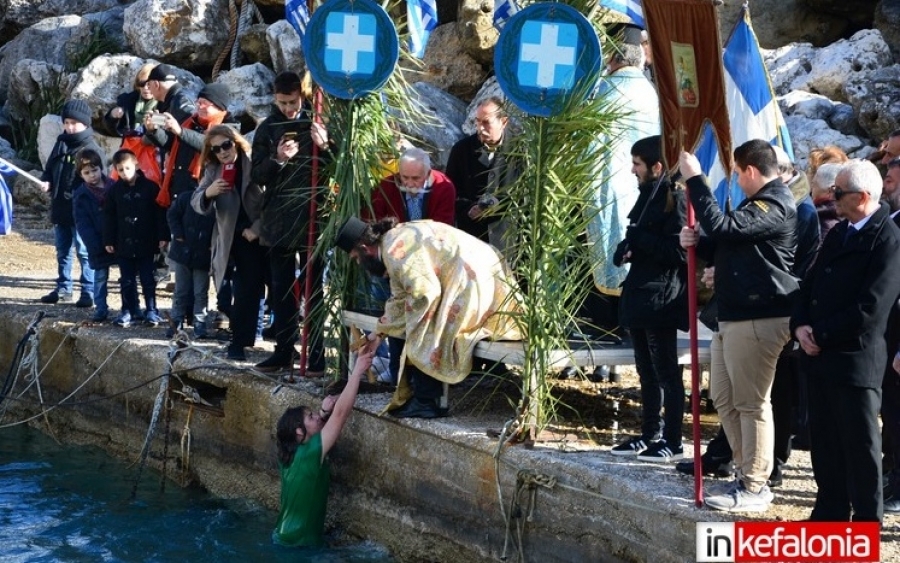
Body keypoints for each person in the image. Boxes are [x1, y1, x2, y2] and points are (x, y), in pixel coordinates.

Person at [679, 139, 798, 513]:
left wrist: (696, 180)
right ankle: (744, 471)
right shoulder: (754, 203)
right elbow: (731, 241)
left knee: (751, 403)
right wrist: (697, 242)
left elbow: (725, 225)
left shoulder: (776, 201)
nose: (734, 179)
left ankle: (755, 485)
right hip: (732, 316)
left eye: (736, 172)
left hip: (759, 317)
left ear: (749, 171)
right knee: (725, 399)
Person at [792, 159, 900, 523]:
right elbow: (811, 284)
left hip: (856, 360)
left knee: (860, 446)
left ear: (863, 196)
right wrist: (800, 325)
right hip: (821, 357)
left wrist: (819, 333)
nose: (831, 198)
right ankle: (829, 512)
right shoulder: (841, 232)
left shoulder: (888, 239)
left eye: (839, 193)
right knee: (825, 443)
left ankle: (866, 523)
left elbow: (871, 306)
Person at [335, 217, 523, 418]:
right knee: (417, 316)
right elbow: (399, 298)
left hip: (472, 280)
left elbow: (425, 294)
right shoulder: (394, 238)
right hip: (485, 271)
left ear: (365, 248)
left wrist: (409, 323)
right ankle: (425, 395)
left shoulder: (394, 251)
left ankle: (426, 400)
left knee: (422, 324)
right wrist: (377, 335)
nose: (359, 264)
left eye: (356, 258)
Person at [608, 136, 687, 462]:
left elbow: (678, 252)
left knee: (666, 371)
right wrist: (624, 250)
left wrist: (642, 239)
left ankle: (673, 438)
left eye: (637, 164)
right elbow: (635, 235)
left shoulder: (676, 200)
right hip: (640, 294)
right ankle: (649, 433)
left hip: (661, 298)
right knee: (645, 370)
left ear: (657, 167)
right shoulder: (647, 195)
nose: (632, 170)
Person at [250, 71, 329, 374]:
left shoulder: (317, 123)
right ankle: (284, 350)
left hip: (313, 218)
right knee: (282, 291)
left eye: (293, 102)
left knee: (314, 291)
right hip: (279, 221)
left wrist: (326, 146)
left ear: (302, 96)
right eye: (282, 102)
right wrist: (278, 159)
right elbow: (257, 175)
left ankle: (318, 353)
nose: (288, 108)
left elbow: (334, 166)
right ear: (274, 98)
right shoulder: (268, 128)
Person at [364, 146, 457, 384]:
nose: (409, 183)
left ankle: (422, 372)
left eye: (415, 178)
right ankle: (395, 367)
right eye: (404, 177)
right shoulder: (387, 186)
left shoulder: (443, 187)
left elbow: (442, 231)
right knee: (390, 309)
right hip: (392, 263)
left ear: (427, 173)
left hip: (427, 267)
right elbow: (372, 225)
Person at [273, 348, 375, 547]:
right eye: (311, 417)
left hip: (282, 534)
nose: (317, 417)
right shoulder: (311, 454)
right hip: (301, 544)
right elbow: (341, 414)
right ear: (300, 433)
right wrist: (357, 372)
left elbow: (323, 427)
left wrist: (322, 412)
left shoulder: (288, 452)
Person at [192, 126, 265, 361]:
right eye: (216, 149)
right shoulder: (214, 169)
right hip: (227, 238)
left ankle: (242, 341)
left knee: (248, 291)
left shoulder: (252, 162)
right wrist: (209, 193)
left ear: (235, 143)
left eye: (226, 145)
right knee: (226, 293)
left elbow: (272, 201)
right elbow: (196, 200)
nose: (223, 152)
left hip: (254, 237)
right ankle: (239, 338)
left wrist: (257, 228)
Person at [39, 99, 105, 308]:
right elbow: (50, 168)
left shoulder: (91, 149)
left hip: (82, 211)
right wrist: (46, 180)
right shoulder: (61, 143)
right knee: (62, 250)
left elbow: (96, 180)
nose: (69, 127)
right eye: (66, 122)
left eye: (74, 123)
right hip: (60, 208)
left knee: (84, 251)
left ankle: (88, 291)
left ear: (85, 124)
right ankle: (63, 288)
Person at [103, 149, 168, 328]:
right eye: (121, 170)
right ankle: (127, 310)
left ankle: (151, 310)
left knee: (148, 278)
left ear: (137, 165)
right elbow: (109, 216)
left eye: (127, 168)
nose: (125, 173)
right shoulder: (114, 190)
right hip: (123, 242)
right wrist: (108, 240)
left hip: (146, 241)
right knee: (127, 280)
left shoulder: (150, 188)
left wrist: (163, 236)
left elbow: (159, 214)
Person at [446, 96, 517, 246]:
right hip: (473, 241)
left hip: (508, 242)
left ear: (503, 122)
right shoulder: (461, 150)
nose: (480, 128)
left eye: (486, 123)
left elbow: (526, 194)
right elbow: (450, 193)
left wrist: (497, 206)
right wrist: (470, 208)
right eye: (477, 122)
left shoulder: (520, 151)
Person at [72, 149, 116, 323]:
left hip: (117, 239)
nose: (92, 175)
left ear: (102, 168)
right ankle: (101, 307)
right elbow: (82, 223)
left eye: (95, 170)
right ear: (81, 175)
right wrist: (93, 243)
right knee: (100, 277)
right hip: (97, 241)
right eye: (87, 173)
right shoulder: (81, 195)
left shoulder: (113, 187)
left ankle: (130, 307)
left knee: (127, 276)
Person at [166, 188, 215, 338]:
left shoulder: (217, 203)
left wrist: (212, 243)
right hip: (183, 252)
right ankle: (176, 321)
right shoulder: (186, 197)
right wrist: (178, 233)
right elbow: (172, 215)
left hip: (203, 254)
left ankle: (200, 323)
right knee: (180, 290)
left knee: (200, 292)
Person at [103, 63, 162, 185]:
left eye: (148, 84)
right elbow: (112, 129)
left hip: (154, 154)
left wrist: (149, 136)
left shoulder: (163, 104)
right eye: (142, 84)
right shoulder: (128, 101)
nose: (145, 88)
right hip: (128, 154)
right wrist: (112, 117)